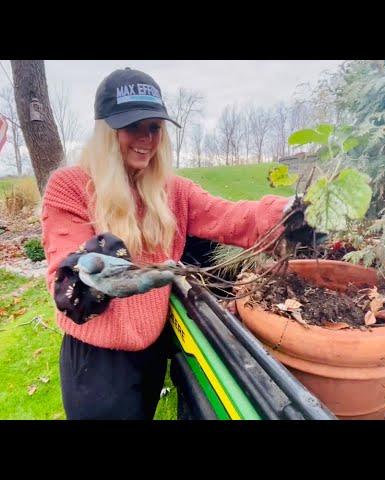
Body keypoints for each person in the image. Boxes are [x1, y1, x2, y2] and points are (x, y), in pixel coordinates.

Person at [41, 67, 309, 420]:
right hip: (98, 364)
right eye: (133, 126)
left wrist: (288, 214)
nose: (146, 138)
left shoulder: (171, 190)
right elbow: (65, 273)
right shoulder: (71, 186)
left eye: (154, 127)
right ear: (106, 130)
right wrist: (88, 274)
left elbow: (228, 216)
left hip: (150, 353)